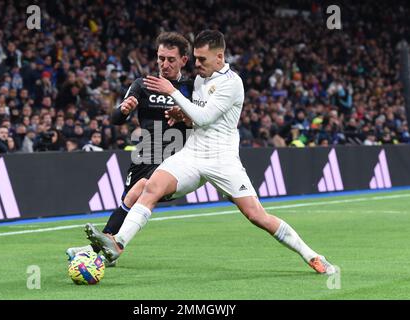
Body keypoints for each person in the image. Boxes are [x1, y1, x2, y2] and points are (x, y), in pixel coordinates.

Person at [85, 30, 336, 275]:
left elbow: (204, 117)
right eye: (195, 58)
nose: (197, 64)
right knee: (151, 186)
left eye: (202, 59)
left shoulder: (232, 83)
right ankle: (118, 244)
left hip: (222, 160)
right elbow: (195, 118)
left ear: (220, 57)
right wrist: (180, 114)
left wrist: (172, 93)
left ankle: (312, 255)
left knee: (256, 216)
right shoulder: (199, 80)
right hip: (192, 154)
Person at [66, 32, 194, 265]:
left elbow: (202, 118)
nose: (164, 64)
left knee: (140, 190)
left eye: (171, 59)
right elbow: (115, 118)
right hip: (145, 154)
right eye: (161, 58)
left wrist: (184, 115)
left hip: (175, 157)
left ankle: (101, 249)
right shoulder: (143, 85)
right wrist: (124, 109)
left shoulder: (190, 88)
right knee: (130, 199)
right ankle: (104, 248)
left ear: (184, 60)